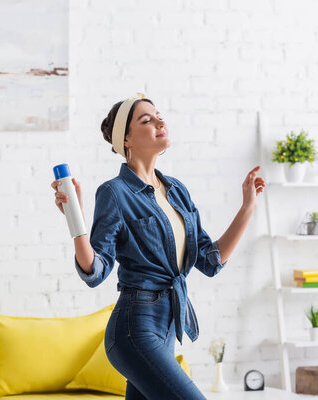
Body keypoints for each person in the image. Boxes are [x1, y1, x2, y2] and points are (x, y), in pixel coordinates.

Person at [50, 94, 265, 399]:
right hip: (134, 328)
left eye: (159, 116)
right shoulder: (115, 192)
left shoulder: (177, 190)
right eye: (146, 120)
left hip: (165, 328)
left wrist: (247, 209)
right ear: (126, 139)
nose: (160, 122)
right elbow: (95, 270)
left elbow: (210, 261)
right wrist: (76, 221)